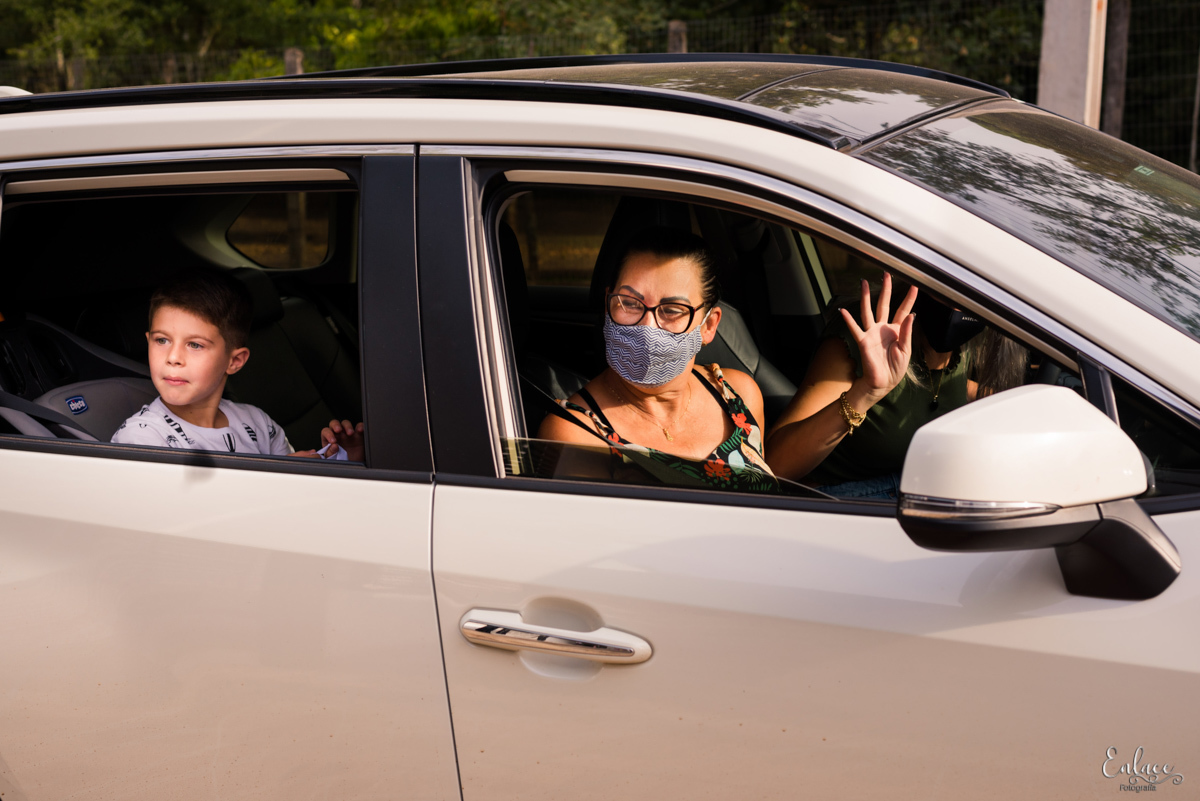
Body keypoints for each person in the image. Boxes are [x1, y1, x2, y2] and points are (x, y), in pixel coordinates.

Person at [538, 227, 777, 493]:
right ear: (608, 304)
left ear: (708, 325)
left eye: (672, 310)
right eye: (629, 303)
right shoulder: (575, 433)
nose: (648, 327)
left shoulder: (739, 394)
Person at [766, 274, 1020, 500]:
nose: (956, 306)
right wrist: (866, 391)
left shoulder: (962, 348)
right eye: (949, 284)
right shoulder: (871, 340)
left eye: (971, 291)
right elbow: (775, 467)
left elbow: (942, 389)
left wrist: (1009, 401)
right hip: (836, 505)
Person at [111, 269, 364, 460]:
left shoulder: (257, 423)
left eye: (195, 345)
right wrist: (278, 481)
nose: (173, 357)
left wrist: (343, 460)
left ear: (234, 361)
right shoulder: (142, 438)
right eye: (162, 340)